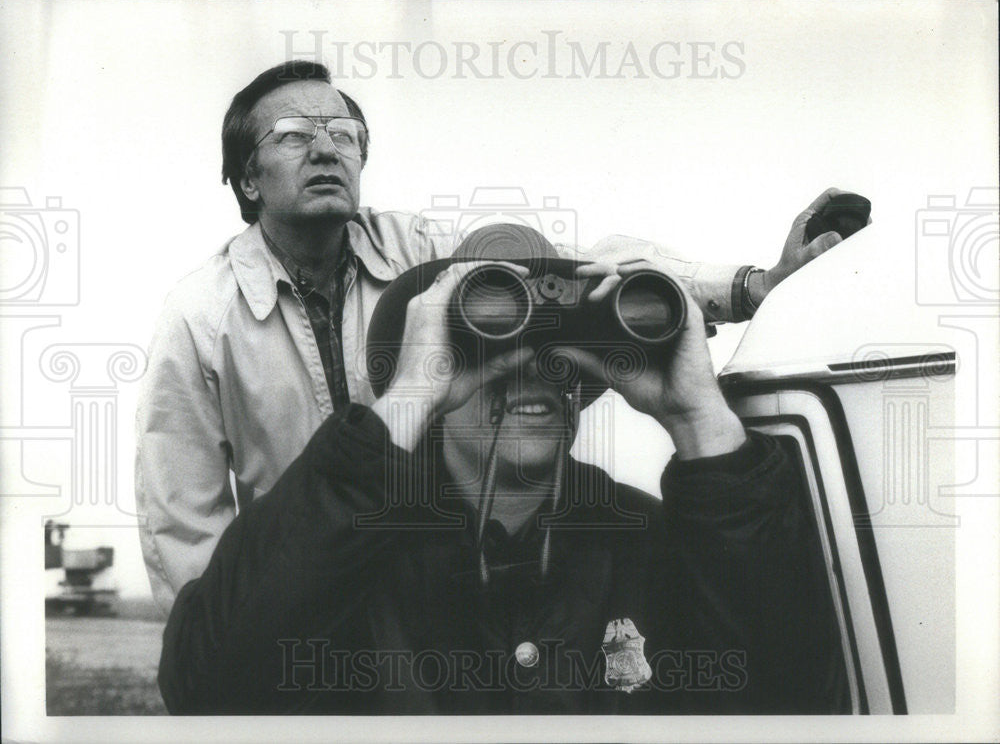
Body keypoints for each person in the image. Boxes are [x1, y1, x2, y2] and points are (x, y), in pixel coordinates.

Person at [135, 58, 850, 614]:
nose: (328, 150)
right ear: (248, 179)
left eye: (344, 135)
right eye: (294, 136)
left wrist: (754, 286)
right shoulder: (201, 318)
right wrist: (230, 654)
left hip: (431, 584)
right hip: (299, 589)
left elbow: (575, 272)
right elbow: (183, 525)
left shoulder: (420, 252)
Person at [158, 224, 848, 714]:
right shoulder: (348, 544)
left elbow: (787, 699)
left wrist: (701, 420)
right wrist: (407, 399)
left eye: (556, 347)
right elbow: (210, 688)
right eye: (490, 340)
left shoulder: (648, 542)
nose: (531, 369)